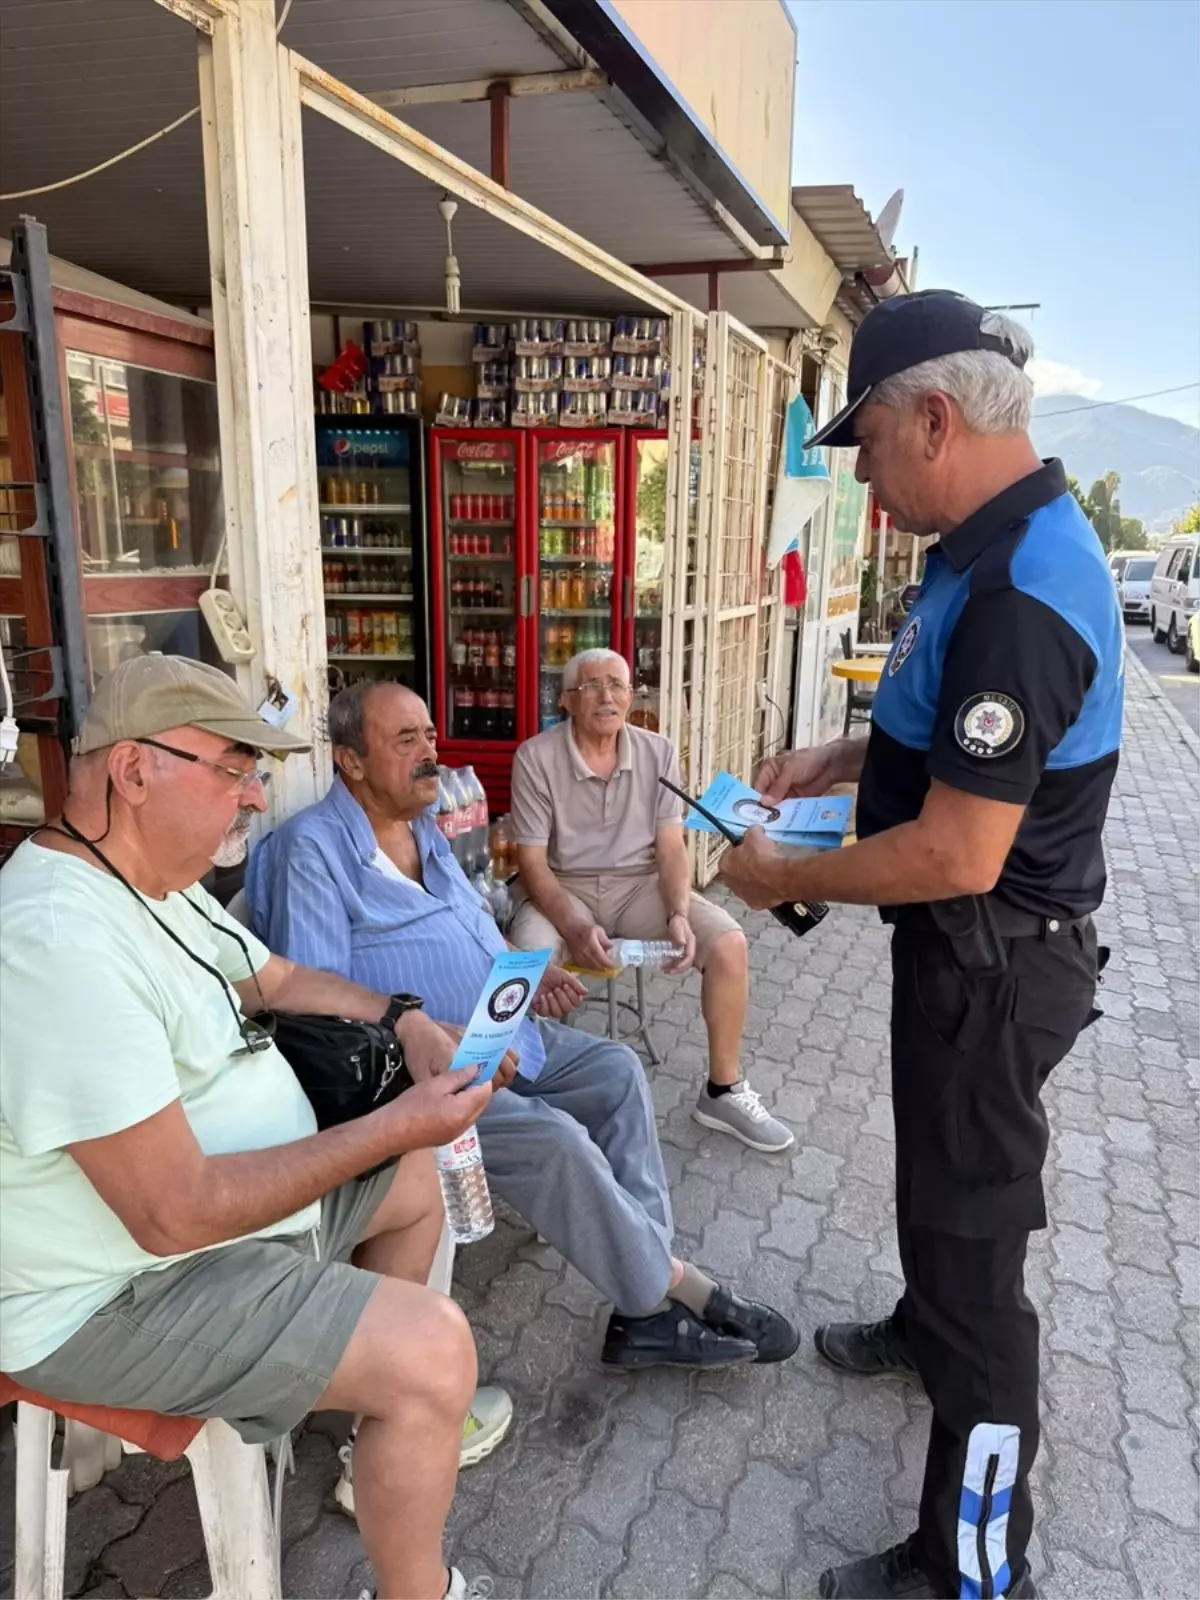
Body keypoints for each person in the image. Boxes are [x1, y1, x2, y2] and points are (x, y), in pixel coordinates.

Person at [717, 292, 1122, 1600]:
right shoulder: (976, 548)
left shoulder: (1022, 592)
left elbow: (958, 850)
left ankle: (974, 1561)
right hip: (962, 962)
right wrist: (834, 755)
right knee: (939, 1207)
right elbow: (940, 735)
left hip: (993, 967)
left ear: (935, 420)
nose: (866, 479)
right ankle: (921, 1321)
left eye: (873, 445)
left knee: (981, 1264)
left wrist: (787, 874)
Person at [0, 655, 509, 1600]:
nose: (251, 796)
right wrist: (392, 1121)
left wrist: (402, 1017)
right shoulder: (56, 940)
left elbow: (273, 978)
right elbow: (175, 1216)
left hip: (189, 1240)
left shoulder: (150, 878)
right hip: (110, 1293)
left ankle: (373, 1423)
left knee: (416, 1183)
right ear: (135, 770)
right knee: (436, 1346)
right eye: (233, 768)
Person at [246, 681, 800, 1428]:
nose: (428, 754)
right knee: (556, 1142)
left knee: (616, 1073)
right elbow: (318, 1001)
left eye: (429, 736)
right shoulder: (313, 851)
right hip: (418, 1077)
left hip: (498, 1028)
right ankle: (670, 1289)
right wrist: (448, 1036)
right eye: (404, 740)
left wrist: (523, 969)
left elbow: (472, 924)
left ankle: (642, 1291)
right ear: (348, 761)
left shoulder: (424, 827)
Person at [507, 647, 793, 1154]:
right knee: (523, 968)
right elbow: (531, 863)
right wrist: (573, 927)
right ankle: (530, 1105)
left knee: (728, 943)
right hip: (562, 887)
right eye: (591, 686)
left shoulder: (656, 751)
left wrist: (679, 913)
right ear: (567, 701)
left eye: (617, 684)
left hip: (639, 885)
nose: (607, 696)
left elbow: (670, 846)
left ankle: (723, 1090)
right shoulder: (536, 756)